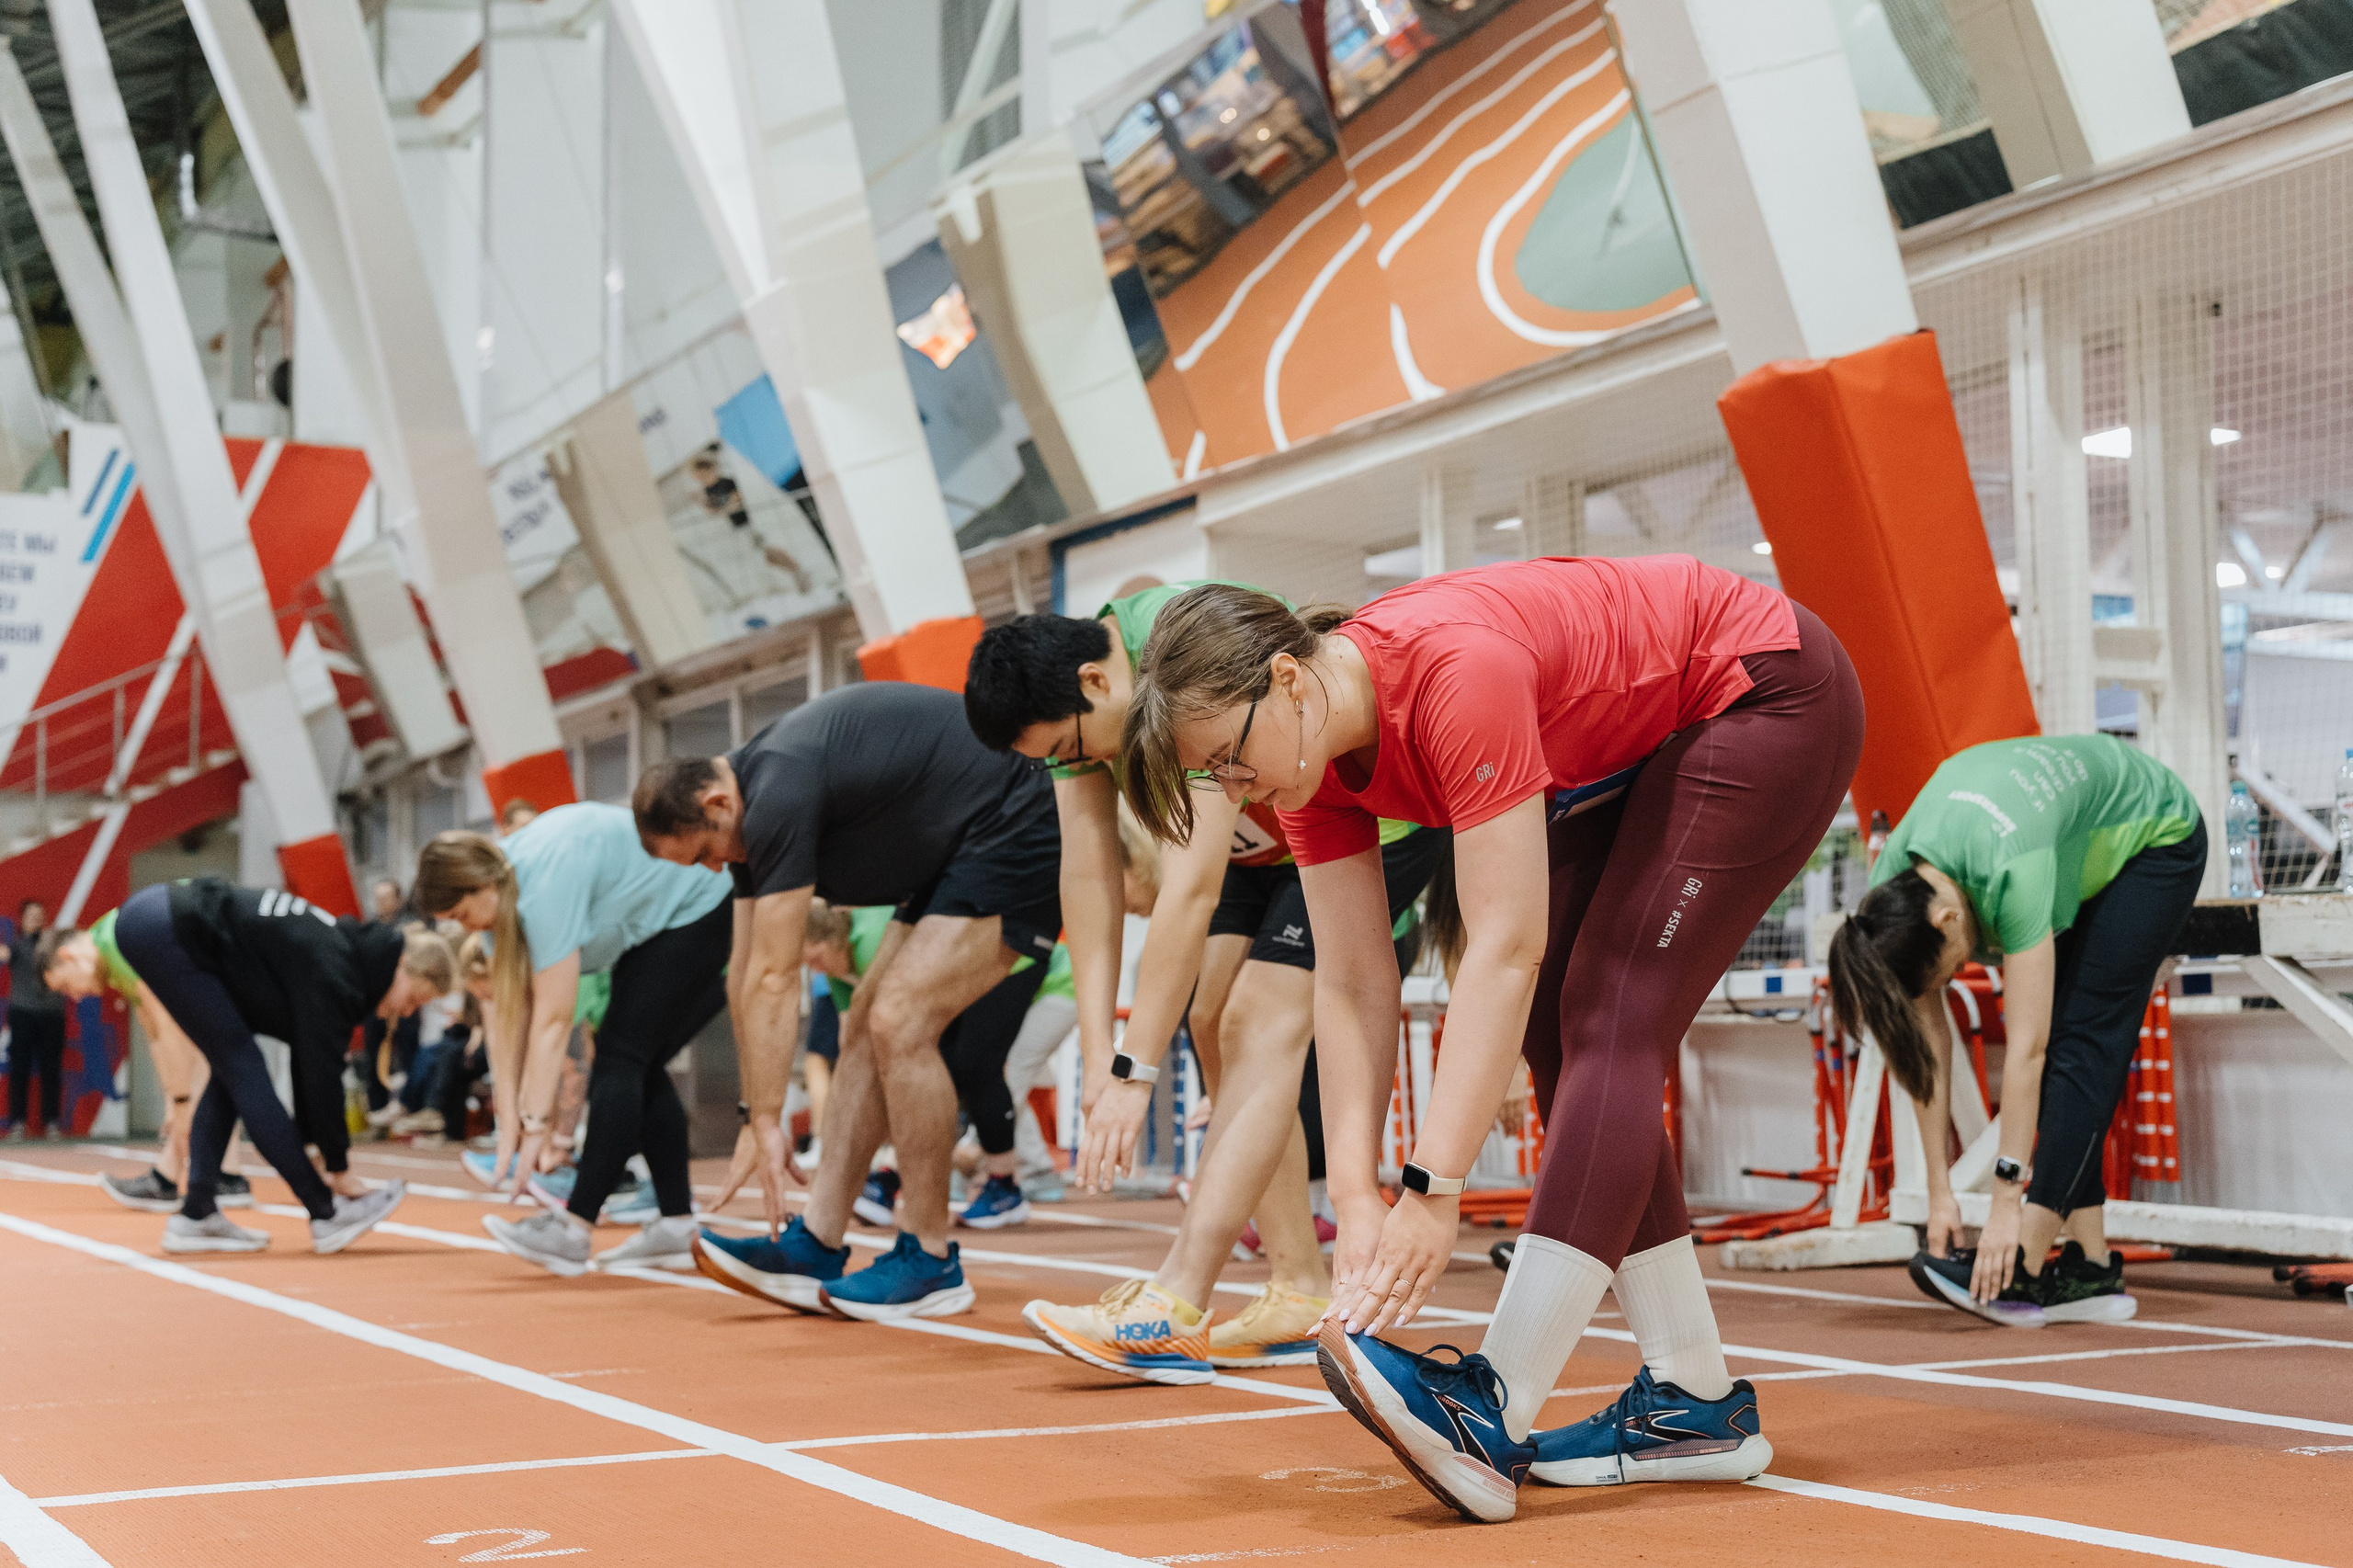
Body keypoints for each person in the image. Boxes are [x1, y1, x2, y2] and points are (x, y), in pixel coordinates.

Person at [1122, 558, 1862, 1522]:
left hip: (1767, 688)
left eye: (1227, 754)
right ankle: (1692, 1400)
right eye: (1210, 773)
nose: (1233, 787)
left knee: (1605, 1008)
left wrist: (1434, 1188)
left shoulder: (1451, 673)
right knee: (1566, 1022)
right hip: (1654, 734)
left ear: (1288, 679)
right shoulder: (1306, 772)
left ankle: (1493, 1397)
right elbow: (1349, 980)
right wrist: (1358, 1190)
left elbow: (1503, 946)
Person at [964, 585, 1442, 1382]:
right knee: (1214, 1020)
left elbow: (1187, 890)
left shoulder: (1170, 657)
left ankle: (1176, 1301)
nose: (1077, 765)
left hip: (1357, 818)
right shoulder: (1077, 715)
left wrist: (1134, 1072)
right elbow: (1087, 874)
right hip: (1263, 840)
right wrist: (1097, 1050)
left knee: (1258, 1018)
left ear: (1096, 683)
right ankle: (1296, 1286)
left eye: (1073, 749)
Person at [634, 679, 1061, 1321]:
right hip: (954, 848)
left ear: (716, 802)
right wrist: (757, 1112)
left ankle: (928, 1257)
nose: (712, 869)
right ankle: (820, 1240)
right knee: (864, 1019)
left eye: (703, 854)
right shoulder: (747, 810)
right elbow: (743, 972)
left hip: (1019, 819)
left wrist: (771, 1122)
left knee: (901, 1020)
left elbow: (777, 979)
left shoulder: (777, 790)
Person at [1829, 735, 2206, 1328]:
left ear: (1948, 919)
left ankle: (2024, 1270)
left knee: (2080, 1042)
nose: (1960, 973)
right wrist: (1939, 1192)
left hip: (2156, 837)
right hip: (2063, 835)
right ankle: (2089, 1265)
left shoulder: (2013, 870)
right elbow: (1927, 1044)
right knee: (2068, 1045)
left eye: (1951, 965)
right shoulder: (1892, 896)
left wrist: (2007, 1203)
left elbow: (2027, 1050)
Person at [41, 880, 448, 1255]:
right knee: (242, 1064)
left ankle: (197, 1212)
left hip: (171, 922)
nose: (405, 1011)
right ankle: (325, 1212)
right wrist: (336, 1168)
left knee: (231, 1069)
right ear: (402, 967)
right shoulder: (337, 973)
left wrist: (324, 1149)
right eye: (413, 999)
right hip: (166, 925)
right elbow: (321, 1075)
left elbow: (311, 1064)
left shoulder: (339, 959)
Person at [412, 801, 733, 1277]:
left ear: (481, 885)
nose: (466, 928)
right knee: (636, 1063)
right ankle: (675, 1225)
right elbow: (506, 1024)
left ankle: (574, 1228)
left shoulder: (543, 886)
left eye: (462, 914)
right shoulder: (501, 903)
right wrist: (508, 1129)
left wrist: (537, 1130)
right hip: (659, 923)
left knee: (620, 1060)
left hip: (701, 906)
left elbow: (552, 1019)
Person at [46, 905, 253, 1215]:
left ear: (68, 956)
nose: (75, 997)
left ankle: (200, 1177)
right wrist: (172, 1102)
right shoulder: (110, 954)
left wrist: (181, 1103)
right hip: (221, 958)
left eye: (65, 986)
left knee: (204, 1061)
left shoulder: (117, 945)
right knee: (206, 1060)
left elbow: (167, 1026)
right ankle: (217, 1176)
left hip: (240, 950)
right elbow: (154, 1032)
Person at [6, 899, 68, 1138]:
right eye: (32, 916)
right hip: (23, 1014)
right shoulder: (17, 946)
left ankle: (51, 1121)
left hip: (52, 1015)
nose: (37, 919)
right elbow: (5, 954)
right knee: (19, 1068)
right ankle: (18, 1122)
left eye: (40, 915)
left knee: (51, 1070)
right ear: (23, 920)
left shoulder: (53, 946)